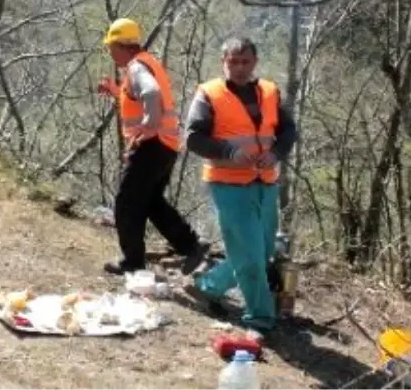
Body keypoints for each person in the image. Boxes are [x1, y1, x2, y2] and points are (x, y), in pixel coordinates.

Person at [183, 36, 297, 335]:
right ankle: (260, 318)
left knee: (261, 253)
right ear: (224, 62)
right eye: (233, 62)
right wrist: (231, 153)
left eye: (245, 61)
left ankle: (208, 286)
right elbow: (194, 137)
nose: (239, 68)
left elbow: (288, 131)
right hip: (228, 184)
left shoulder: (270, 92)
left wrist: (275, 154)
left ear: (254, 62)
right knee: (249, 256)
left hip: (266, 182)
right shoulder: (209, 93)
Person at [96, 17, 207, 277]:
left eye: (111, 47)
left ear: (122, 45)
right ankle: (191, 245)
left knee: (126, 202)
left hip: (151, 144)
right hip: (166, 146)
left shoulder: (137, 68)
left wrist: (148, 124)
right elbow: (137, 97)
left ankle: (132, 262)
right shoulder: (146, 63)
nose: (110, 52)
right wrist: (115, 91)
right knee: (151, 202)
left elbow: (151, 92)